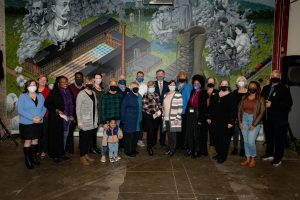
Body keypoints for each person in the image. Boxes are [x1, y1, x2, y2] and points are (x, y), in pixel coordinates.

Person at [261, 70, 293, 167]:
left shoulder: (284, 89)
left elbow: (288, 104)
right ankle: (269, 153)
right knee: (269, 137)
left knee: (279, 139)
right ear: (270, 77)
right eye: (273, 76)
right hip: (267, 118)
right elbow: (261, 100)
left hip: (279, 120)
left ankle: (278, 158)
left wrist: (273, 104)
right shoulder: (266, 88)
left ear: (279, 77)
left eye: (277, 76)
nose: (274, 77)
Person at [45, 76, 74, 163]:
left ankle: (62, 153)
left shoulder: (69, 92)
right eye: (62, 82)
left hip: (67, 119)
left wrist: (71, 115)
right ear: (58, 84)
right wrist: (56, 110)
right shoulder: (54, 92)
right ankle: (55, 155)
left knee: (64, 136)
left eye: (66, 81)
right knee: (56, 137)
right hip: (56, 119)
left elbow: (71, 104)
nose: (65, 83)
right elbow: (47, 103)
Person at [18, 80, 46, 169]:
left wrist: (40, 117)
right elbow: (20, 110)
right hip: (27, 123)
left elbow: (44, 108)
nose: (32, 86)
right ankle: (27, 160)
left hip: (38, 122)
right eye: (30, 85)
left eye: (34, 85)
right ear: (27, 87)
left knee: (35, 140)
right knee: (27, 141)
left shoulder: (40, 96)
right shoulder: (23, 96)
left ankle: (33, 158)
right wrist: (32, 118)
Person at [207, 80, 235, 164]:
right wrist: (208, 117)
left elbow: (233, 110)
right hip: (215, 121)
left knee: (224, 140)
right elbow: (211, 107)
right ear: (219, 85)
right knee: (216, 139)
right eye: (222, 84)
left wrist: (231, 122)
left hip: (226, 122)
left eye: (226, 84)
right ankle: (219, 154)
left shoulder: (231, 96)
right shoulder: (215, 94)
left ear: (228, 85)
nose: (224, 86)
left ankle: (223, 156)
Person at [239, 81, 265, 168]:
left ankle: (253, 158)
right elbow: (239, 110)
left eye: (254, 86)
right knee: (246, 141)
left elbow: (262, 112)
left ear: (257, 88)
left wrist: (254, 124)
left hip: (254, 121)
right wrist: (240, 122)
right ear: (248, 88)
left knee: (250, 141)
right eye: (250, 86)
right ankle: (247, 158)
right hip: (244, 120)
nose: (252, 88)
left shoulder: (260, 98)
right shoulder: (244, 97)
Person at [76, 76, 99, 166]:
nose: (90, 84)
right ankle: (82, 157)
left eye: (92, 82)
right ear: (84, 84)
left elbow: (95, 108)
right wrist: (79, 122)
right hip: (84, 122)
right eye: (88, 82)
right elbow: (78, 109)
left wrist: (96, 120)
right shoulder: (81, 94)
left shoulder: (93, 92)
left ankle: (86, 155)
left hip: (93, 121)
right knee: (83, 140)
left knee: (88, 139)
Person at [185, 75, 208, 158]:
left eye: (197, 83)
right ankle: (191, 148)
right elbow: (189, 103)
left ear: (201, 84)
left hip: (197, 115)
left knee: (197, 134)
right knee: (190, 132)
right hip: (190, 114)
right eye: (194, 83)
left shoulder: (203, 94)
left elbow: (203, 108)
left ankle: (197, 150)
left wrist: (200, 119)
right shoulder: (192, 92)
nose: (196, 84)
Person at [101, 79, 123, 162]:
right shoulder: (105, 95)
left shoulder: (120, 95)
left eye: (115, 84)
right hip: (108, 121)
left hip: (117, 120)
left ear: (117, 85)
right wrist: (104, 122)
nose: (113, 86)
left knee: (116, 138)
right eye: (112, 84)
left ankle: (114, 154)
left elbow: (121, 107)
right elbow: (103, 109)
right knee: (105, 139)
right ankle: (103, 155)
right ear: (109, 85)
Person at [121, 81, 142, 157]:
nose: (135, 88)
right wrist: (123, 119)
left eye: (136, 86)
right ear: (130, 88)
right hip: (129, 119)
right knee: (129, 136)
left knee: (136, 136)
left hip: (138, 119)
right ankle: (128, 151)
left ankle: (133, 149)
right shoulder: (128, 96)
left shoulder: (140, 96)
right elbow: (123, 108)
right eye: (133, 86)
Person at [163, 80, 183, 157]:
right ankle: (169, 148)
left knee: (173, 135)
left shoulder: (178, 94)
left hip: (174, 118)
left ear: (175, 86)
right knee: (169, 134)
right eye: (170, 85)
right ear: (168, 86)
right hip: (166, 118)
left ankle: (172, 149)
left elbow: (180, 107)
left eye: (173, 85)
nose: (172, 86)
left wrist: (177, 118)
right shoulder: (165, 94)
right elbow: (165, 105)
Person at [142, 81, 161, 156]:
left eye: (153, 87)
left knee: (154, 131)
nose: (152, 88)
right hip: (148, 116)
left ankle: (152, 144)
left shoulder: (156, 95)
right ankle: (149, 147)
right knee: (150, 132)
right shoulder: (145, 95)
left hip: (155, 116)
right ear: (148, 87)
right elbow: (145, 107)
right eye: (150, 87)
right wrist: (154, 112)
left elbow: (158, 104)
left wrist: (159, 110)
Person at [68, 72, 85, 154]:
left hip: (82, 113)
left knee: (83, 131)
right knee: (70, 130)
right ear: (74, 78)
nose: (78, 79)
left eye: (80, 77)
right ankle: (70, 149)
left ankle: (82, 147)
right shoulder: (70, 87)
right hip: (72, 113)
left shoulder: (85, 88)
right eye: (77, 77)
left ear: (83, 78)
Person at [231, 76, 248, 156]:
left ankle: (242, 149)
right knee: (235, 133)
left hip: (246, 116)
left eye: (243, 81)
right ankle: (235, 148)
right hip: (236, 116)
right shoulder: (234, 92)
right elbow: (232, 105)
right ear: (237, 83)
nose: (241, 82)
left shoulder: (248, 93)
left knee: (243, 133)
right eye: (239, 81)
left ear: (245, 82)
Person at [176, 71, 192, 149]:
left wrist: (185, 110)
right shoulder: (175, 86)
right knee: (176, 129)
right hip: (175, 111)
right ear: (178, 77)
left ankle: (183, 144)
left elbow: (189, 100)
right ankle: (177, 143)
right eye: (180, 76)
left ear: (186, 78)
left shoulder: (188, 87)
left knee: (183, 129)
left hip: (184, 111)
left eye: (184, 77)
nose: (182, 78)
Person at [37, 75, 51, 159]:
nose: (42, 81)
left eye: (44, 80)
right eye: (41, 80)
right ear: (38, 80)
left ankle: (44, 150)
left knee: (44, 133)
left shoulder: (49, 91)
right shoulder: (33, 90)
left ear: (46, 82)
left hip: (45, 115)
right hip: (34, 116)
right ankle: (37, 149)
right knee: (36, 133)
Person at [154, 69, 169, 146]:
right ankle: (153, 141)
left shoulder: (167, 84)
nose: (160, 75)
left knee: (163, 126)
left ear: (164, 75)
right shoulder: (152, 84)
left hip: (165, 109)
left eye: (161, 74)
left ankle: (162, 141)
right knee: (154, 126)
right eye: (158, 74)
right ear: (156, 75)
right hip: (155, 109)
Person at [205, 77, 218, 155]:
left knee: (213, 132)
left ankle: (213, 146)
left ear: (214, 83)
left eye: (212, 82)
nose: (210, 83)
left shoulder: (217, 92)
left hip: (213, 115)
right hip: (204, 114)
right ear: (207, 83)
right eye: (209, 82)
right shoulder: (203, 92)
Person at [135, 71, 147, 148]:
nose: (140, 77)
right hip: (133, 109)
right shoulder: (131, 85)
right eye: (138, 76)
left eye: (141, 76)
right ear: (136, 76)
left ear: (143, 77)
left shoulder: (145, 86)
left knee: (140, 124)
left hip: (142, 108)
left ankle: (139, 140)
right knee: (134, 124)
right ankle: (134, 139)